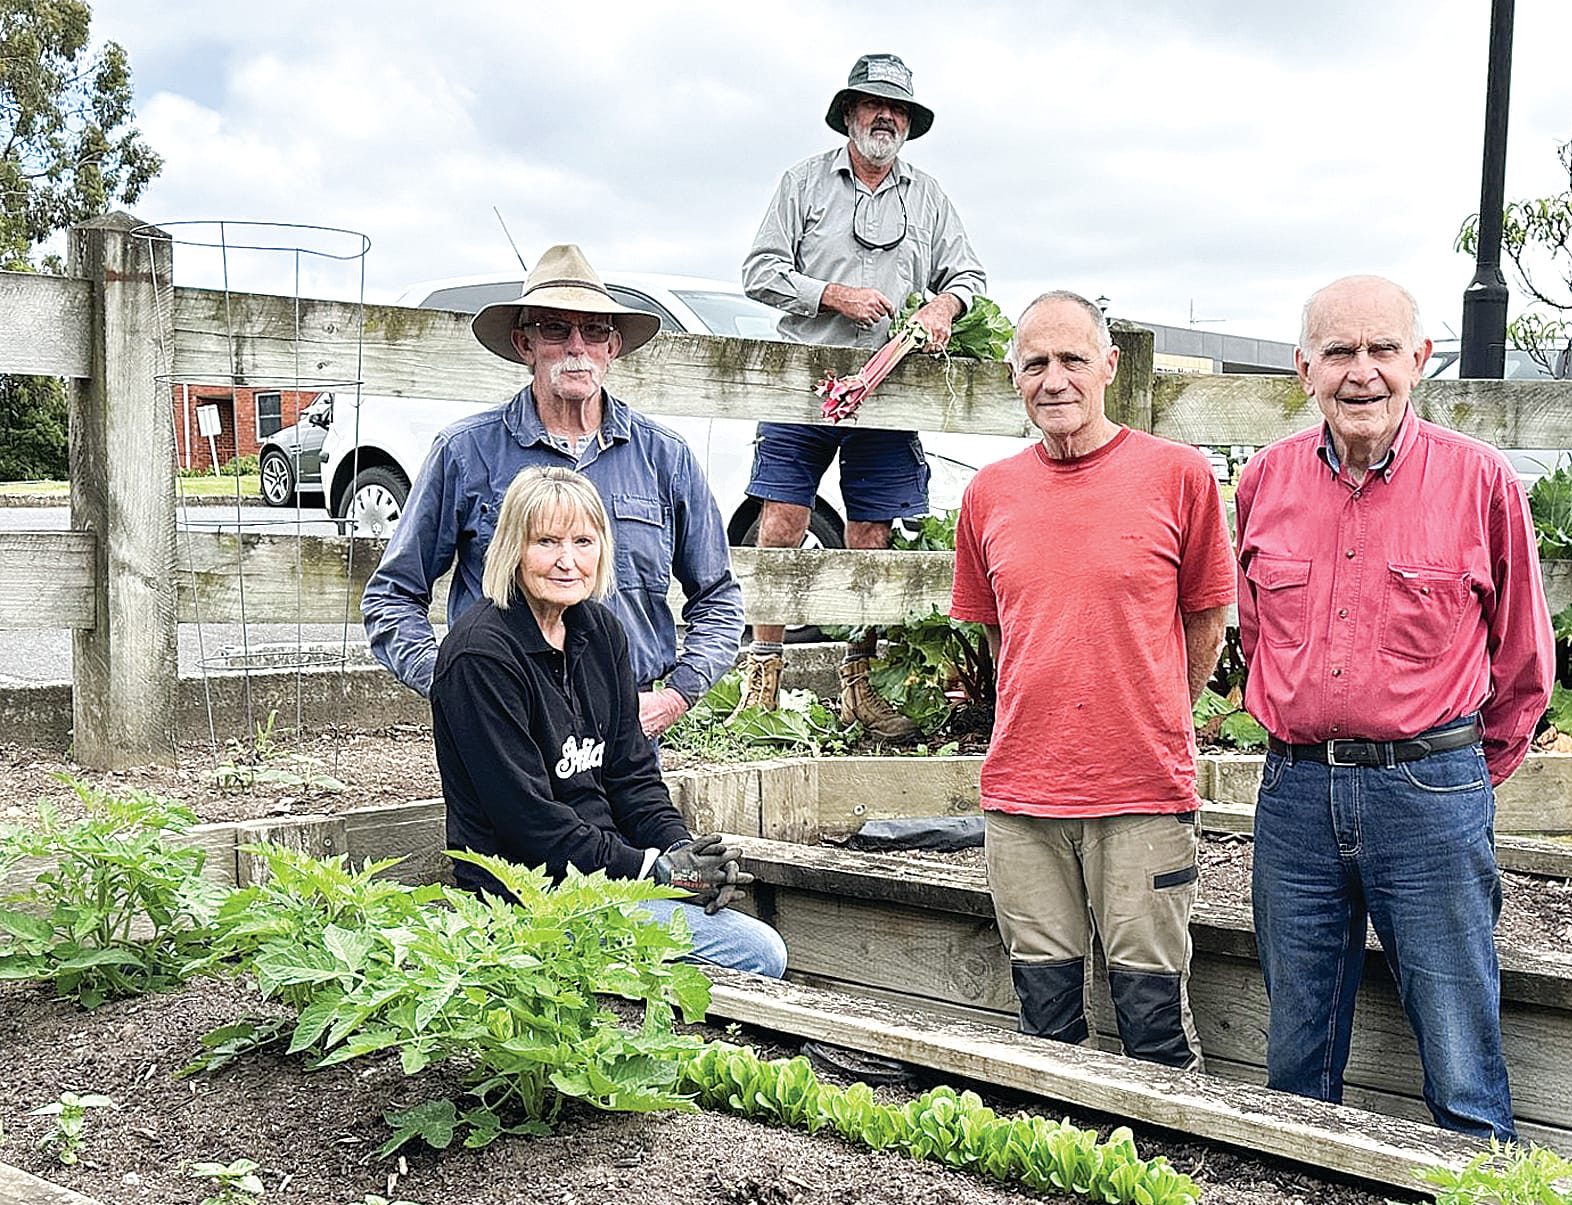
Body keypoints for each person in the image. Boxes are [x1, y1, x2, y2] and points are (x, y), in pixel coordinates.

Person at [1234, 274, 1554, 1140]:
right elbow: (1256, 636)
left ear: (1419, 360)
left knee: (1457, 1041)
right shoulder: (1263, 483)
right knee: (1296, 1047)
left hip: (1428, 792)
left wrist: (1453, 777)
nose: (1360, 372)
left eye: (1382, 350)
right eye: (1338, 352)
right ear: (1304, 369)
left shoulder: (1479, 482)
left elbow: (1522, 662)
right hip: (1294, 796)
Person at [949, 292, 1236, 1069]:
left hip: (1141, 787)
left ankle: (1167, 1169)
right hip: (1022, 794)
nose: (1054, 380)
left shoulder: (1177, 476)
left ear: (1107, 366)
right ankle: (1060, 1178)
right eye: (1035, 363)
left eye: (1072, 359)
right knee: (1044, 1019)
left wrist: (1153, 711)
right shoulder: (988, 495)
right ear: (1013, 376)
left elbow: (1206, 616)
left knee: (1151, 1017)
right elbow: (1001, 628)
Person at [363, 244, 743, 739]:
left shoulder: (664, 457)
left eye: (594, 330)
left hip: (626, 721)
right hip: (508, 724)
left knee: (635, 818)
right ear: (525, 344)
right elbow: (392, 594)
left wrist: (677, 695)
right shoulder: (465, 452)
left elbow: (718, 597)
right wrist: (454, 685)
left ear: (614, 347)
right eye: (555, 329)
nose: (576, 347)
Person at [430, 465, 786, 977]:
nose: (567, 561)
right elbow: (526, 821)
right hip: (530, 894)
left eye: (583, 540)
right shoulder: (481, 657)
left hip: (606, 873)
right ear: (513, 549)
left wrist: (678, 851)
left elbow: (632, 774)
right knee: (759, 952)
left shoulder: (599, 631)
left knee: (733, 916)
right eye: (546, 542)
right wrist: (650, 869)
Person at [740, 52, 987, 739]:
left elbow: (968, 272)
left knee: (870, 533)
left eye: (898, 109)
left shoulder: (929, 196)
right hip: (805, 377)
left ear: (907, 122)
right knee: (783, 521)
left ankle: (861, 683)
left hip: (890, 384)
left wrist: (945, 305)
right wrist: (827, 293)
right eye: (874, 105)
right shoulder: (803, 183)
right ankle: (761, 680)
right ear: (849, 113)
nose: (886, 117)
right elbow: (759, 271)